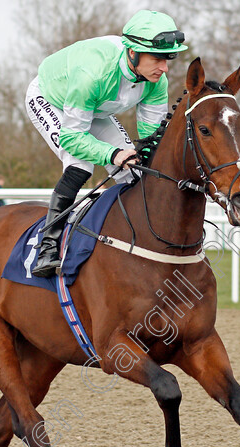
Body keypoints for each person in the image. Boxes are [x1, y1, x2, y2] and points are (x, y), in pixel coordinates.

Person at [24, 10, 187, 277]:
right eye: (157, 59)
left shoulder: (157, 81)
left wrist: (141, 156)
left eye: (169, 59)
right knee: (81, 165)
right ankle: (48, 246)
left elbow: (151, 140)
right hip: (50, 98)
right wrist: (113, 154)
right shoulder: (94, 73)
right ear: (133, 53)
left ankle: (142, 242)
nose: (164, 68)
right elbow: (72, 137)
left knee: (134, 171)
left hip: (94, 109)